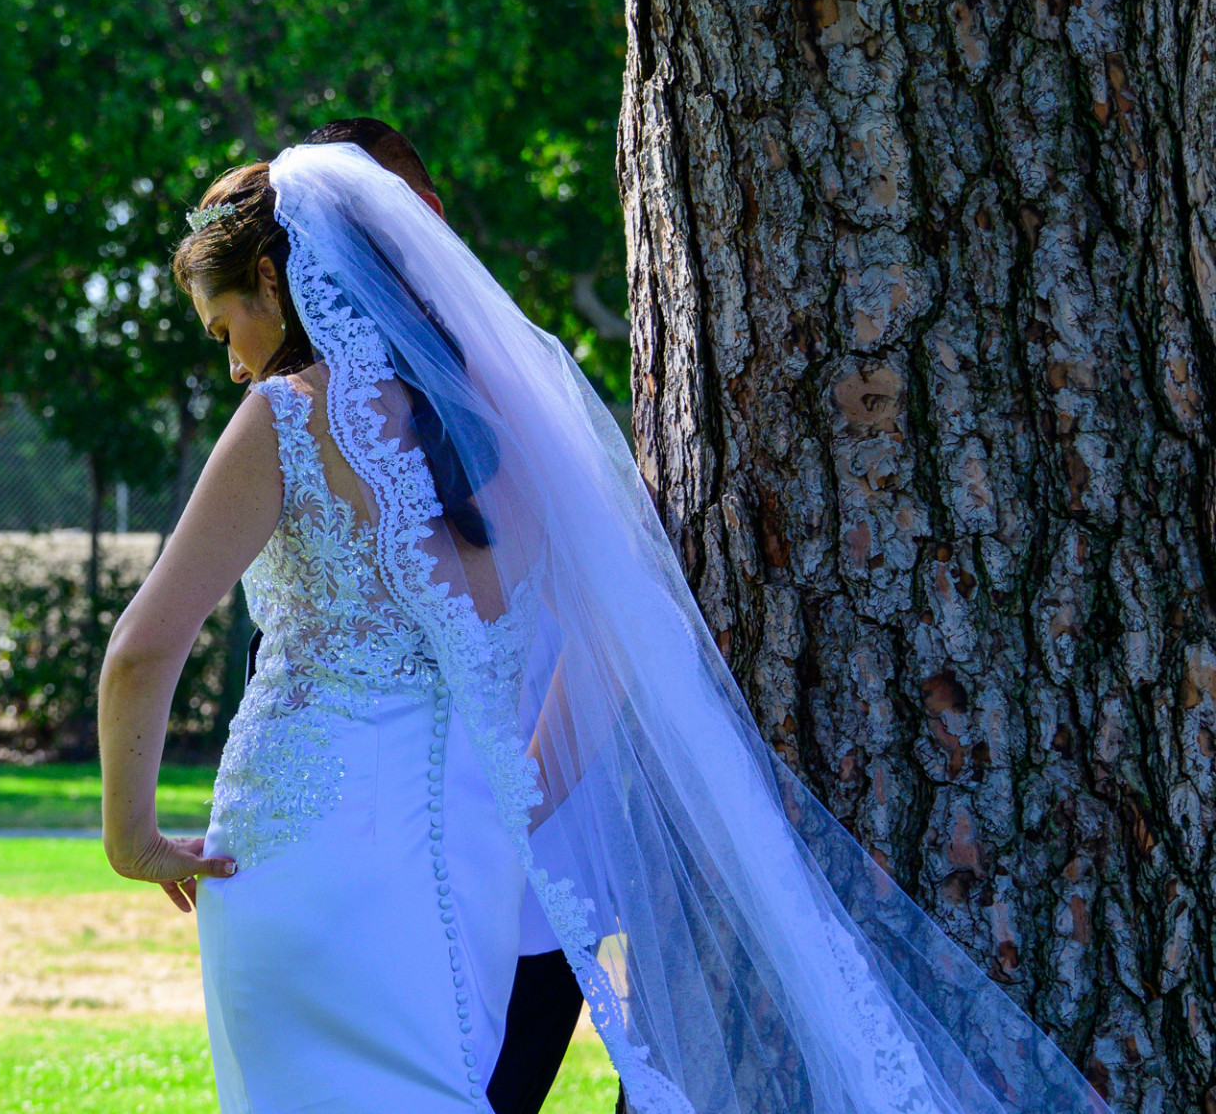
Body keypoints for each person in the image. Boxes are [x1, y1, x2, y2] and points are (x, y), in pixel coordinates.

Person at [97, 142, 1111, 1113]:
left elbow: (142, 650)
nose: (234, 368)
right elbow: (624, 635)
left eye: (224, 330)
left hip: (300, 847)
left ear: (273, 282)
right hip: (470, 859)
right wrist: (523, 788)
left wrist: (132, 838)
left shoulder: (287, 418)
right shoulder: (506, 425)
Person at [298, 118, 582, 1114]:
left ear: (423, 216)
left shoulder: (518, 397)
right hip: (382, 877)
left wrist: (516, 803)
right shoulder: (321, 410)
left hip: (525, 885)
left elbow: (610, 647)